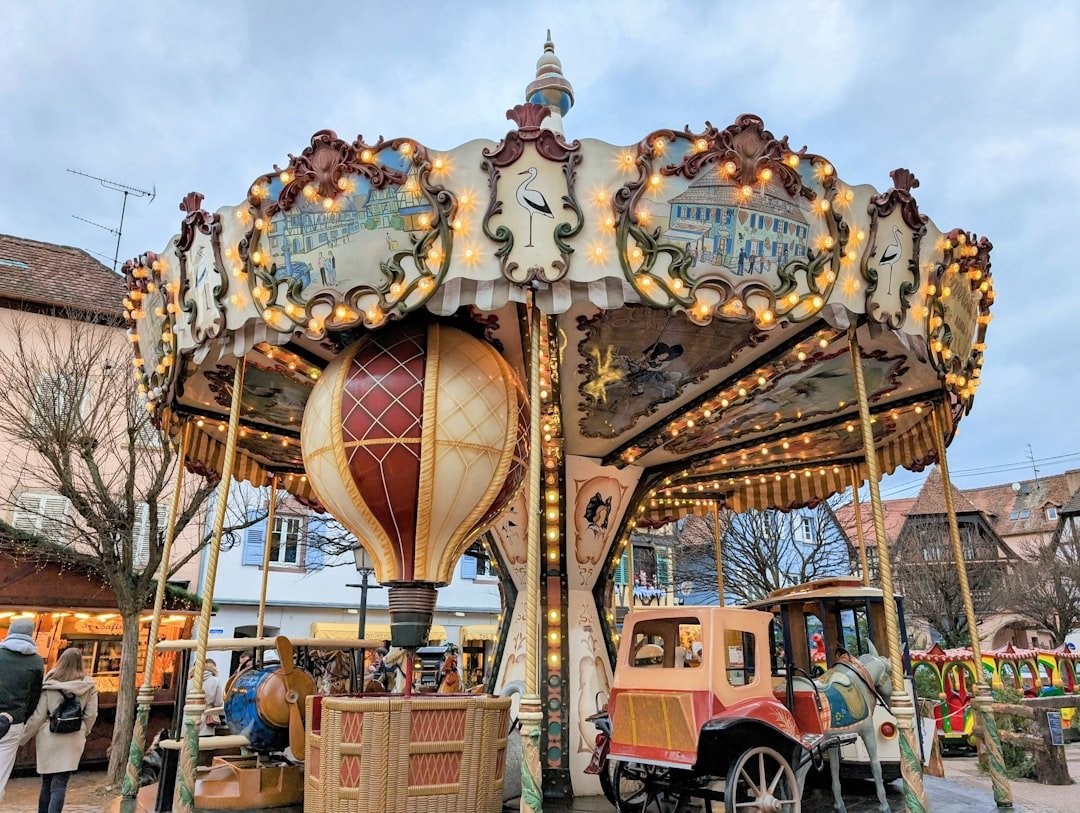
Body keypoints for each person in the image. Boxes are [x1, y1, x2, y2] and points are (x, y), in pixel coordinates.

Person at [19, 647, 98, 813]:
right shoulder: (88, 685)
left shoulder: (49, 684)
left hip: (49, 736)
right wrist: (84, 731)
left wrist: (22, 738)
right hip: (73, 737)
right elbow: (91, 714)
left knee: (46, 782)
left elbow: (39, 716)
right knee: (60, 784)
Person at [0, 617, 45, 803]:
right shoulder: (36, 662)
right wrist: (21, 718)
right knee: (1, 775)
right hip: (13, 722)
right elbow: (34, 697)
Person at [200, 660, 223, 736]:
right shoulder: (216, 681)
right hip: (206, 718)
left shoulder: (190, 681)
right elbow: (218, 702)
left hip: (188, 719)